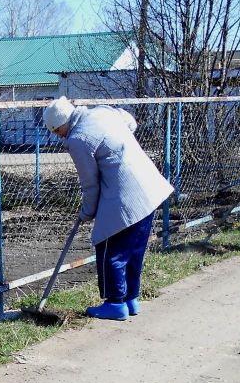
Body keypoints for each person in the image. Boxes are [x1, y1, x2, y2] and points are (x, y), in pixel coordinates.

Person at [43, 97, 173, 321]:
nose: (59, 136)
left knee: (109, 249)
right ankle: (130, 299)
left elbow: (89, 183)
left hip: (125, 196)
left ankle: (114, 303)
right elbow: (130, 122)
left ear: (62, 124)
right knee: (133, 250)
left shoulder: (78, 139)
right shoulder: (103, 112)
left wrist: (87, 212)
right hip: (149, 189)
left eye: (57, 131)